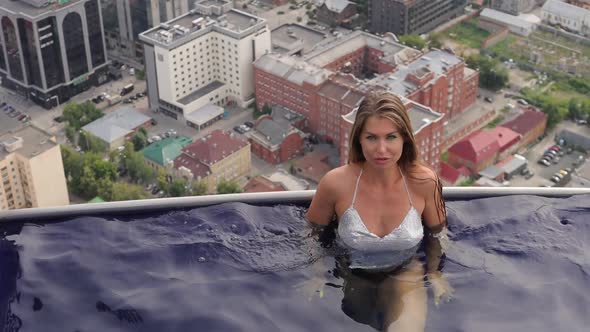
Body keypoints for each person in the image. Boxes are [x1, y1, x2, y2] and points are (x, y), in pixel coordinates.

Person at [305, 91, 453, 332]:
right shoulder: (335, 183)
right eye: (372, 137)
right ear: (359, 140)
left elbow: (438, 234)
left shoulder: (425, 182)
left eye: (391, 137)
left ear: (404, 138)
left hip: (407, 272)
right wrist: (317, 274)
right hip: (353, 273)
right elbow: (312, 232)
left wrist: (435, 275)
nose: (381, 149)